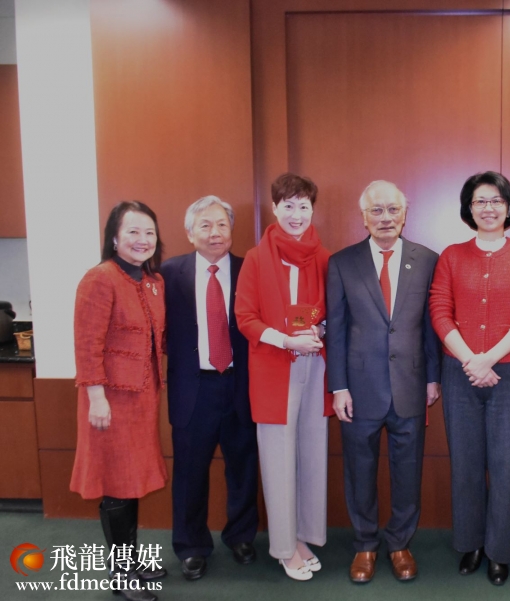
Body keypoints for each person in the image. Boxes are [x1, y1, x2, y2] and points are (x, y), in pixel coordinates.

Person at [429, 171, 510, 586]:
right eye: (480, 201)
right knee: (465, 463)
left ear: (509, 207)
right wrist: (470, 360)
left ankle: (501, 550)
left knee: (507, 466)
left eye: (496, 200)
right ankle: (471, 543)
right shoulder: (451, 256)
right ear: (469, 208)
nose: (488, 208)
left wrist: (489, 359)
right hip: (459, 372)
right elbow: (439, 311)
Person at [327, 181, 442, 584]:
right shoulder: (342, 263)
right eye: (376, 210)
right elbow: (336, 329)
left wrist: (433, 377)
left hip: (411, 383)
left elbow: (431, 326)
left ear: (404, 214)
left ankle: (399, 543)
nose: (385, 218)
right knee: (360, 469)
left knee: (407, 470)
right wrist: (338, 386)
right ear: (363, 217)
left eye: (393, 209)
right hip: (358, 389)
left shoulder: (427, 260)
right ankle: (364, 543)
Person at [235, 173, 332, 581]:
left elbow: (333, 312)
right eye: (288, 205)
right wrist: (287, 339)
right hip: (274, 368)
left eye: (303, 206)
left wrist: (319, 331)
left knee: (312, 454)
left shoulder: (324, 258)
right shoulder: (256, 258)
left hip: (315, 365)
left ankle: (303, 535)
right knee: (278, 459)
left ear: (312, 210)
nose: (296, 214)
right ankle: (283, 546)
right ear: (274, 208)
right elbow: (245, 318)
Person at [71, 201, 168, 601]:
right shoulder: (100, 279)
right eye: (132, 232)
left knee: (131, 482)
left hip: (142, 399)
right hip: (109, 400)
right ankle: (121, 573)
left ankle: (130, 561)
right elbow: (87, 344)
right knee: (116, 483)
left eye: (149, 232)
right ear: (114, 237)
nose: (142, 240)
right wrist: (96, 397)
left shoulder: (152, 281)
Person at [160, 196, 259, 581]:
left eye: (221, 224)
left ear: (231, 230)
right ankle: (191, 546)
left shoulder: (250, 269)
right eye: (205, 225)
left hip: (240, 383)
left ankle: (241, 536)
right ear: (190, 233)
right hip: (193, 387)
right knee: (189, 471)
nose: (214, 232)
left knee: (244, 466)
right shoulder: (169, 273)